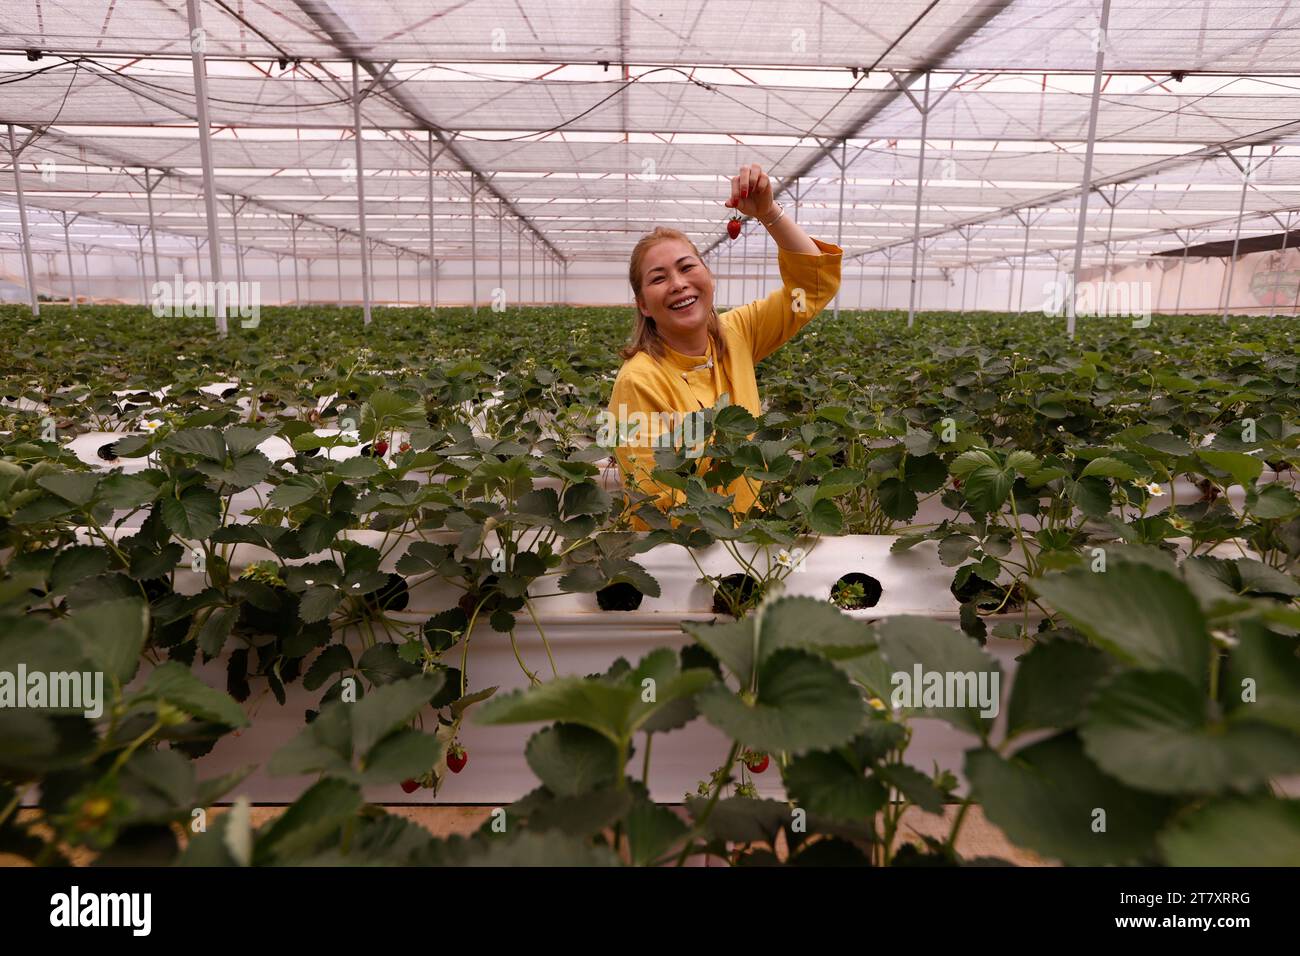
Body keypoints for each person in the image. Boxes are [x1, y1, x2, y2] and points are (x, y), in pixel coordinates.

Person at [608, 163, 842, 530]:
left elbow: (811, 288)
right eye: (658, 278)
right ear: (642, 304)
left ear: (708, 276)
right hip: (687, 552)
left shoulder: (738, 334)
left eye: (687, 267)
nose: (678, 283)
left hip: (749, 540)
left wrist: (768, 213)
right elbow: (653, 495)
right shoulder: (638, 381)